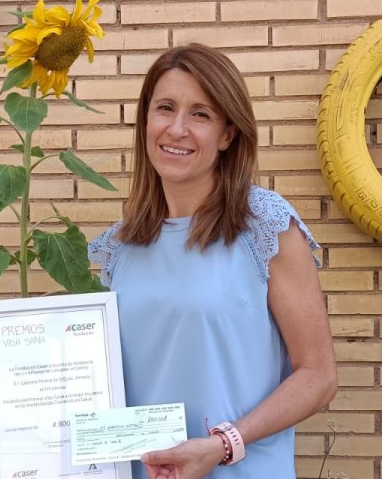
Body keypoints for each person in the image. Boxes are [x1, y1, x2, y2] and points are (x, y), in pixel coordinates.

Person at [89, 43, 338, 479]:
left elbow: (317, 376)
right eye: (165, 108)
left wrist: (225, 444)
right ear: (146, 121)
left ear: (228, 134)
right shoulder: (121, 246)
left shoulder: (267, 227)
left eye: (200, 114)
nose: (178, 128)